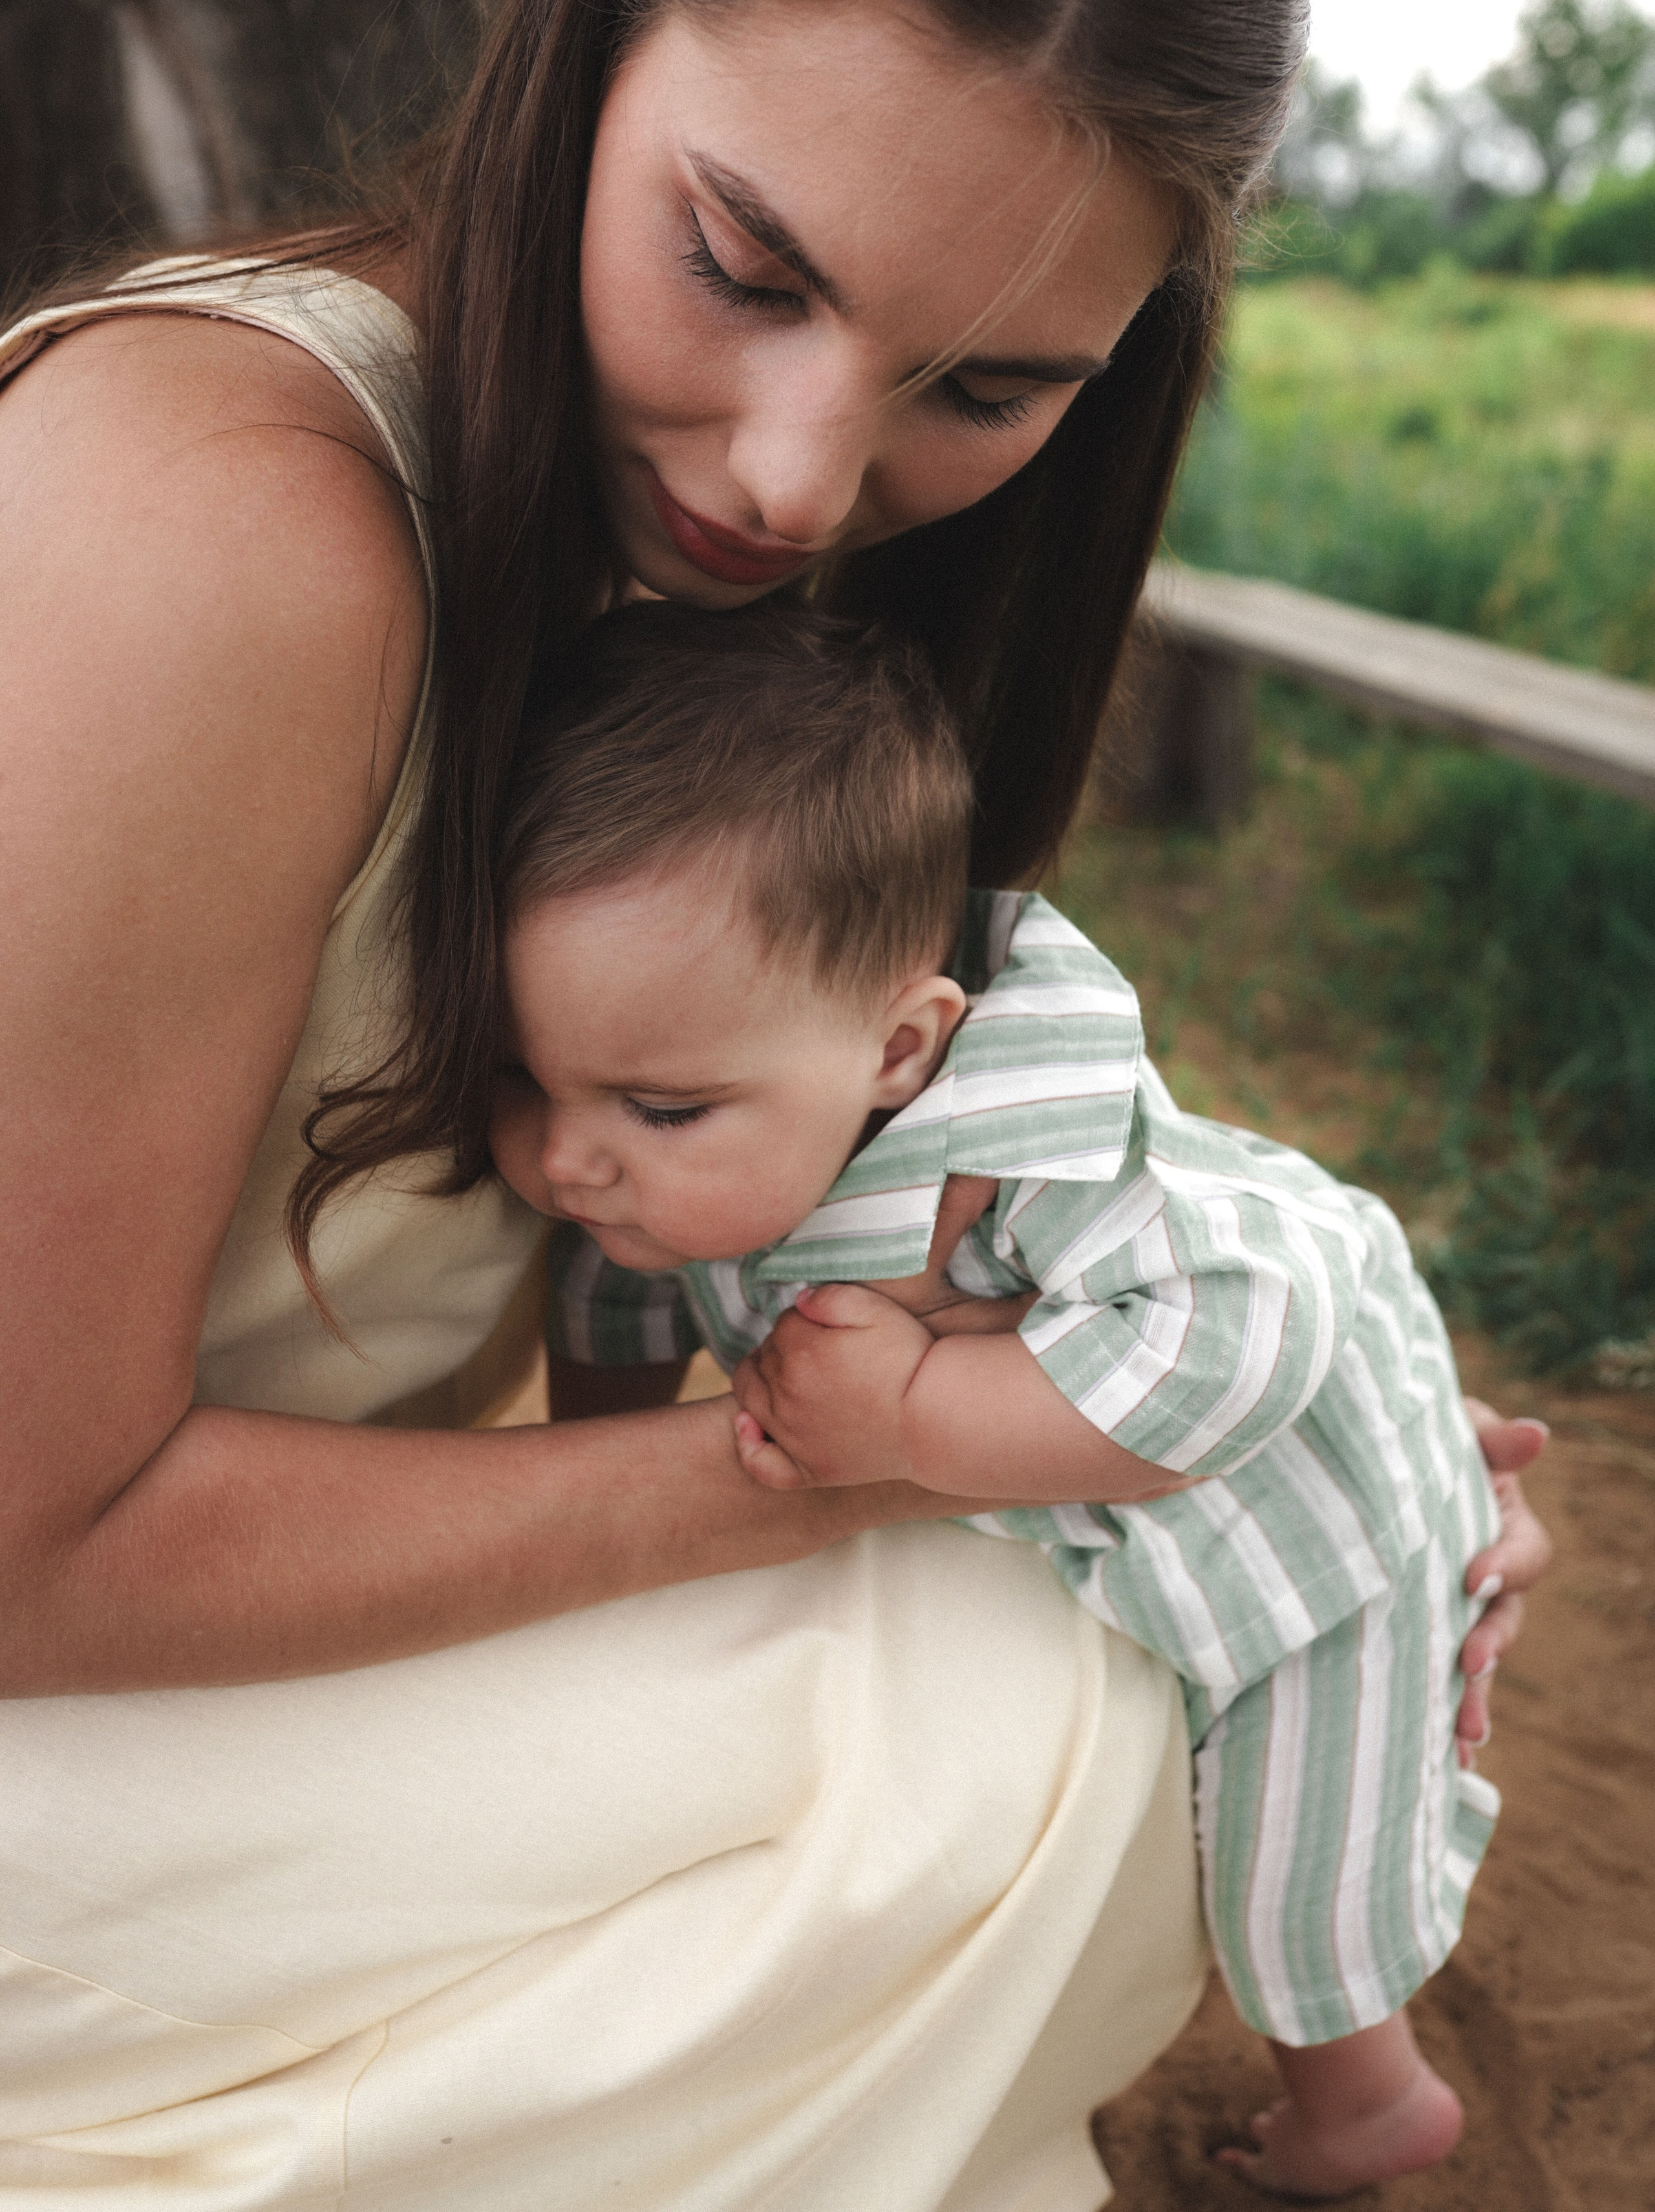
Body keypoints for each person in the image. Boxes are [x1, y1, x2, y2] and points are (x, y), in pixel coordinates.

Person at [0, 0, 1546, 2205]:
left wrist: (1314, 1456)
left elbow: (941, 1156)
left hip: (163, 1680)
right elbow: (25, 1539)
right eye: (747, 262)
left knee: (1156, 1664)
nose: (796, 479)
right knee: (1049, 1712)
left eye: (990, 385)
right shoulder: (213, 528)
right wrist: (833, 1477)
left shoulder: (711, 602)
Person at [496, 599, 1505, 2198]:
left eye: (660, 1106)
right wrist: (593, 1464)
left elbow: (1250, 1333)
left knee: (1289, 1840)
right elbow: (614, 1289)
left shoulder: (1024, 1166)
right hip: (1082, 1481)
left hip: (1301, 1499)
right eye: (523, 1080)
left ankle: (1362, 2094)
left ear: (900, 1049)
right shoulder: (664, 1144)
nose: (564, 1159)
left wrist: (915, 1425)